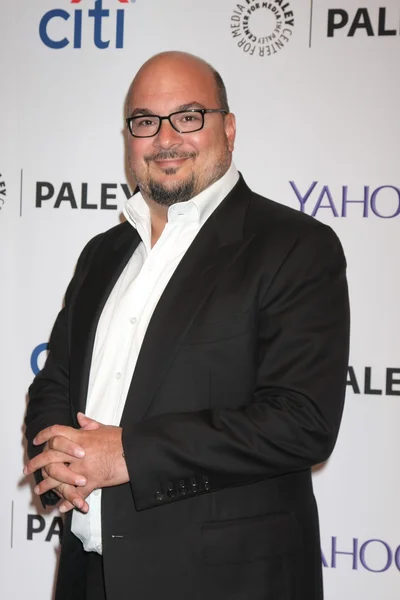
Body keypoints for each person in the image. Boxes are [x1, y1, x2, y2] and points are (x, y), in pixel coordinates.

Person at [24, 51, 350, 600]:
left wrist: (128, 452)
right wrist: (59, 458)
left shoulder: (295, 245)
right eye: (146, 121)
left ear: (229, 127)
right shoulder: (103, 252)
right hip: (89, 574)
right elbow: (56, 379)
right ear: (128, 137)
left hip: (223, 580)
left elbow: (302, 421)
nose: (166, 138)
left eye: (189, 116)